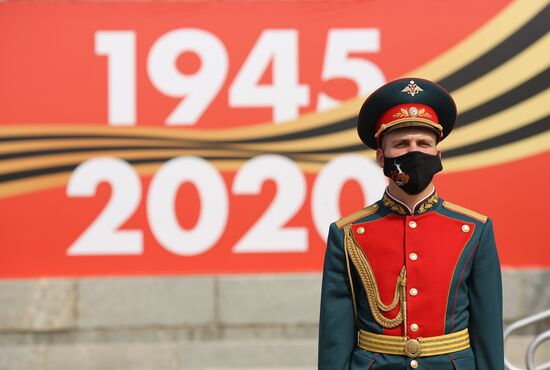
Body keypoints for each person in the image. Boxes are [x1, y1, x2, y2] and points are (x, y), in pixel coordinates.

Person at [318, 78, 503, 370]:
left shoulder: (473, 230)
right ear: (382, 157)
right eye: (401, 144)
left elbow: (488, 331)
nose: (413, 152)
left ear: (437, 156)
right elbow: (335, 336)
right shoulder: (348, 233)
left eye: (423, 144)